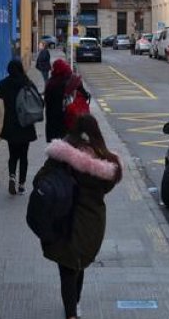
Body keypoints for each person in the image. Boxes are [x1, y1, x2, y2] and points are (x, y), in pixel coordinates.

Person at [36, 115, 123, 319]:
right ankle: (75, 305)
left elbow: (39, 180)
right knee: (79, 263)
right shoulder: (105, 163)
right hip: (92, 224)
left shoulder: (61, 157)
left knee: (66, 269)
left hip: (64, 221)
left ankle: (71, 313)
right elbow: (107, 186)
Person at [0, 58, 38, 195]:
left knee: (12, 154)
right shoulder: (27, 83)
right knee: (24, 155)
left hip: (10, 124)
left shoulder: (4, 83)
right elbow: (37, 98)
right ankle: (21, 185)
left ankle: (12, 176)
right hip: (25, 124)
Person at [43, 58, 72, 141]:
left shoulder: (51, 83)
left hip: (52, 117)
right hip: (65, 117)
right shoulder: (67, 82)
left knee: (55, 144)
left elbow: (47, 100)